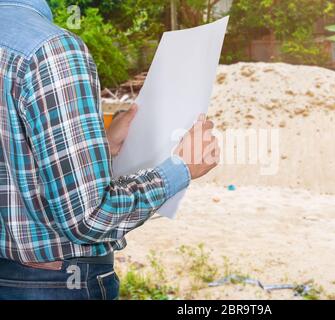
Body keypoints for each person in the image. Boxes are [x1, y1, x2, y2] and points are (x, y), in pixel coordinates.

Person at [0, 0, 219, 300]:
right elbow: (89, 218)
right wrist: (180, 168)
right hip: (51, 283)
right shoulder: (50, 50)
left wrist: (101, 145)